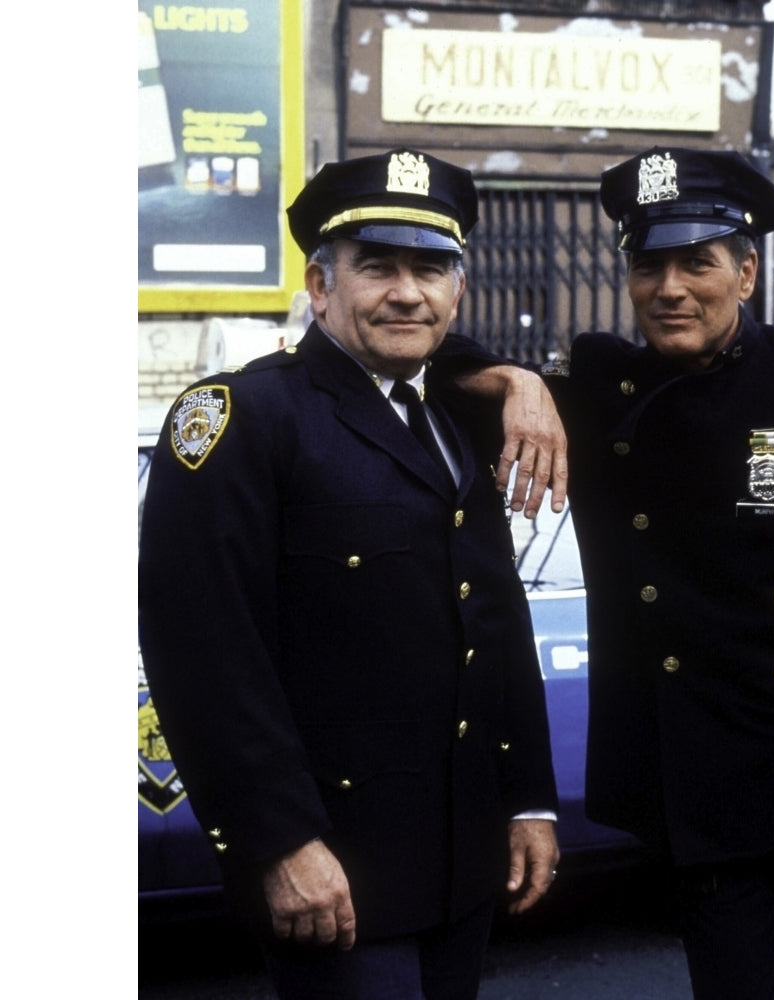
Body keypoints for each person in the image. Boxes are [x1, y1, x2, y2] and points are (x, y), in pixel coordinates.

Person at [431, 146, 774, 1000]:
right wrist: (516, 378)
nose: (671, 289)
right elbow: (425, 367)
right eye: (649, 266)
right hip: (712, 795)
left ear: (744, 272)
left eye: (696, 263)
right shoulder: (605, 390)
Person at [137, 147, 561, 1000]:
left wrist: (529, 801)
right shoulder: (243, 419)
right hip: (332, 868)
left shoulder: (453, 418)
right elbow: (204, 657)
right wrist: (278, 843)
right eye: (378, 266)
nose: (408, 291)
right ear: (320, 286)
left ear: (459, 293)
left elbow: (493, 619)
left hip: (460, 860)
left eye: (432, 268)